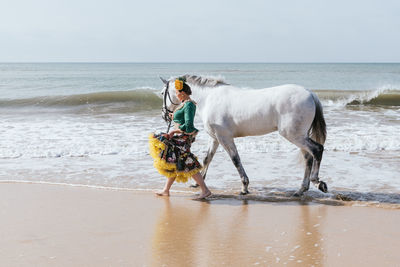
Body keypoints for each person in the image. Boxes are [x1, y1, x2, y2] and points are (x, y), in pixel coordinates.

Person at [149, 77, 211, 199]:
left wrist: (173, 131)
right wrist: (174, 117)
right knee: (174, 162)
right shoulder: (184, 104)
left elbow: (188, 126)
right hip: (179, 136)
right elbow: (182, 119)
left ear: (182, 93)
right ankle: (166, 190)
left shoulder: (189, 105)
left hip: (183, 138)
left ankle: (205, 190)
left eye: (177, 93)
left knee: (189, 163)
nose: (176, 96)